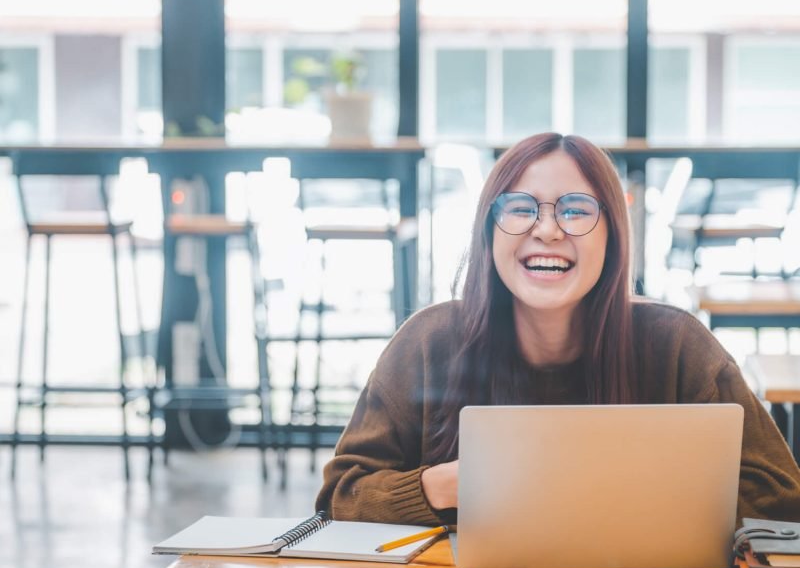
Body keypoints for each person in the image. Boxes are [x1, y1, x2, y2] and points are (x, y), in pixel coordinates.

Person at [315, 132, 800, 526]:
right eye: (521, 208)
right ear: (489, 230)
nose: (547, 230)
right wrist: (446, 485)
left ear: (612, 235)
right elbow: (339, 497)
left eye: (574, 210)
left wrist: (642, 494)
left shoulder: (675, 344)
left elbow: (782, 498)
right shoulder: (429, 341)